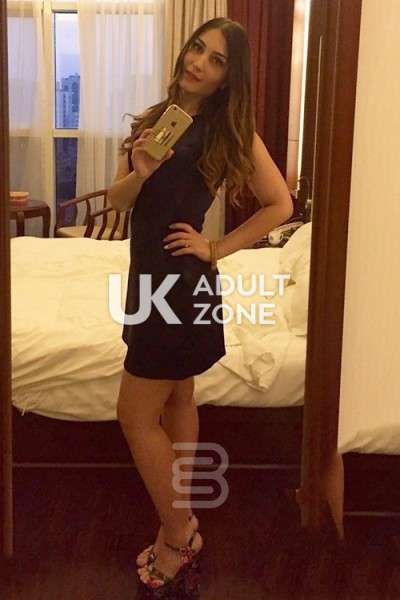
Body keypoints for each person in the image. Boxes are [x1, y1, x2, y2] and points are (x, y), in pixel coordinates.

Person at [108, 16, 293, 595]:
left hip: (180, 285)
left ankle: (177, 534)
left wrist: (215, 247)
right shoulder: (152, 120)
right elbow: (118, 201)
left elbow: (280, 204)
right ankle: (181, 514)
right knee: (178, 396)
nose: (199, 63)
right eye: (197, 49)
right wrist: (141, 171)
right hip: (150, 279)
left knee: (134, 414)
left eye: (216, 60)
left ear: (227, 79)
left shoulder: (226, 132)